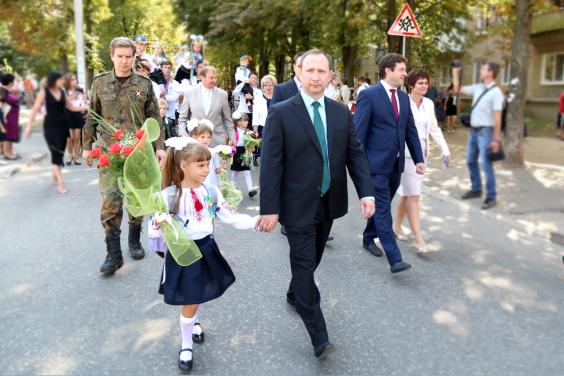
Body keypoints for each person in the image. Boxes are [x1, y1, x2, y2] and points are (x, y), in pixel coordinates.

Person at [257, 49, 375, 358]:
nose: (315, 76)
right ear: (300, 73)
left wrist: (367, 192)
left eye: (322, 71)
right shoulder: (282, 112)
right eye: (310, 70)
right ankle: (319, 336)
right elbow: (271, 164)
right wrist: (269, 208)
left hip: (329, 202)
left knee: (312, 260)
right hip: (296, 206)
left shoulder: (339, 113)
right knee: (304, 265)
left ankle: (296, 292)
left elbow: (355, 154)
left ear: (330, 76)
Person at [151, 140, 257, 372]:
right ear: (182, 166)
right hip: (184, 254)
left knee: (197, 295)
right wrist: (159, 225)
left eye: (207, 163)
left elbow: (230, 216)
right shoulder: (167, 196)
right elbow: (154, 228)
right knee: (191, 300)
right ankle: (186, 344)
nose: (207, 169)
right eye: (200, 165)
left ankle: (194, 324)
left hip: (206, 248)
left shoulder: (210, 191)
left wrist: (255, 222)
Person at [82, 36, 165, 275]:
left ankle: (134, 240)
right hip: (110, 153)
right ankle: (113, 254)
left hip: (138, 152)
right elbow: (91, 116)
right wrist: (87, 146)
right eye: (120, 56)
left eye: (128, 56)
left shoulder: (144, 83)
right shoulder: (99, 83)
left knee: (137, 199)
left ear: (134, 56)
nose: (124, 60)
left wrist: (159, 147)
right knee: (111, 201)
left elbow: (154, 118)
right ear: (112, 56)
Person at [354, 53, 425, 274]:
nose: (405, 73)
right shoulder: (369, 95)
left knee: (380, 206)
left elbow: (410, 131)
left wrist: (419, 159)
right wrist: (359, 166)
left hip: (396, 164)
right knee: (383, 208)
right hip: (375, 166)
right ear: (388, 71)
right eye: (402, 69)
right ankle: (395, 259)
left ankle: (368, 237)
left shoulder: (404, 98)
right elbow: (358, 134)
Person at [393, 69, 450, 253]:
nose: (424, 86)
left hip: (422, 156)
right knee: (414, 196)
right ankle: (419, 238)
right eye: (420, 83)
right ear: (411, 85)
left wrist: (445, 149)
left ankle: (397, 225)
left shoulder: (428, 103)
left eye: (426, 82)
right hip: (407, 155)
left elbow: (433, 129)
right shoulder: (403, 102)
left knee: (408, 193)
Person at [24, 71, 88, 194]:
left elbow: (71, 107)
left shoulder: (62, 92)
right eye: (60, 80)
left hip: (63, 126)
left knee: (59, 154)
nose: (63, 82)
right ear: (54, 80)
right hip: (50, 127)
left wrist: (84, 108)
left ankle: (55, 174)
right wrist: (29, 126)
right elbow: (35, 109)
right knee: (55, 154)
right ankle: (60, 183)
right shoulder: (44, 92)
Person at [452, 61, 504, 210]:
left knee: (485, 164)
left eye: (483, 68)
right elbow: (457, 89)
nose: (480, 70)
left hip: (486, 132)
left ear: (490, 73)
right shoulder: (478, 88)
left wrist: (496, 139)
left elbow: (497, 118)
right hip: (474, 132)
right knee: (470, 161)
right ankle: (476, 189)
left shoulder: (496, 93)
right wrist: (456, 71)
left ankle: (491, 196)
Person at [178, 66, 235, 147]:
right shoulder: (190, 93)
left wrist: (232, 136)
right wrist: (183, 133)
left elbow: (227, 119)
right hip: (195, 141)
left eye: (216, 78)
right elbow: (183, 118)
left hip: (217, 141)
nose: (214, 80)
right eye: (211, 78)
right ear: (202, 77)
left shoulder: (223, 94)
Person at [251, 74, 277, 166]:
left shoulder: (279, 97)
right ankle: (265, 167)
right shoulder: (259, 98)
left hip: (277, 127)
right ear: (262, 87)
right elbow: (256, 114)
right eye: (265, 85)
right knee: (264, 150)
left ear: (274, 85)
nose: (268, 87)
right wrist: (255, 129)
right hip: (263, 127)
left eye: (270, 84)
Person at [230, 111, 257, 198]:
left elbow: (251, 142)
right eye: (245, 120)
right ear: (238, 122)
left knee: (247, 171)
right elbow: (230, 142)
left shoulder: (248, 131)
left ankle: (250, 190)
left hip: (245, 152)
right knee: (235, 171)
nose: (247, 122)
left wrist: (252, 146)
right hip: (236, 151)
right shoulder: (234, 131)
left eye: (247, 120)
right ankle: (232, 188)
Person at [191, 119, 223, 188]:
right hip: (198, 184)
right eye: (202, 137)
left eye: (209, 137)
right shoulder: (192, 153)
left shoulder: (214, 152)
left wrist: (223, 164)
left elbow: (217, 170)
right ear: (195, 137)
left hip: (212, 184)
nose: (206, 140)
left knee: (211, 198)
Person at [63, 73, 87, 165]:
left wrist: (84, 95)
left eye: (75, 79)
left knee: (77, 138)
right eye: (72, 79)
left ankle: (76, 157)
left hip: (77, 114)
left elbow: (84, 103)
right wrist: (74, 95)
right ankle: (70, 156)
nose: (75, 81)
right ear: (68, 81)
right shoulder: (64, 91)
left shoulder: (79, 90)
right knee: (70, 138)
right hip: (67, 115)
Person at [0, 73, 21, 160]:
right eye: (13, 81)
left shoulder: (7, 90)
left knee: (11, 134)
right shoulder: (2, 91)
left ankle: (10, 151)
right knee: (7, 135)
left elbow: (18, 90)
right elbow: (1, 105)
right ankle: (7, 153)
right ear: (10, 82)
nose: (13, 82)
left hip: (13, 116)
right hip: (7, 116)